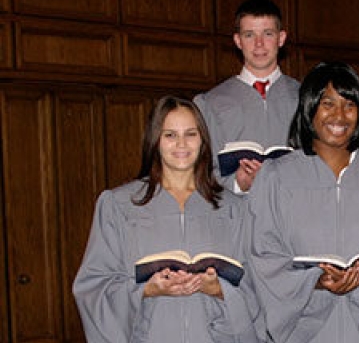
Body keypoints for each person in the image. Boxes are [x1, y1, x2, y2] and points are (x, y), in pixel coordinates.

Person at [249, 62, 359, 343]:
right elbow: (263, 255)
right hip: (304, 327)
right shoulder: (275, 176)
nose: (340, 115)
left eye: (349, 105)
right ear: (309, 107)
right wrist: (313, 280)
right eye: (328, 103)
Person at [73, 96, 262, 343]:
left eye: (191, 134)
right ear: (155, 141)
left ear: (203, 140)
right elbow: (93, 288)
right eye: (170, 135)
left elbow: (259, 288)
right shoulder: (118, 205)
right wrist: (147, 290)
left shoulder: (235, 208)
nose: (181, 144)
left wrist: (218, 289)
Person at [195, 0, 299, 194]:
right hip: (237, 215)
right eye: (249, 35)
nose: (259, 44)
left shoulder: (305, 98)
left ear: (281, 38)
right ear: (238, 41)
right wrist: (238, 182)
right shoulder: (210, 103)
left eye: (268, 34)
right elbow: (200, 173)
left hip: (294, 214)